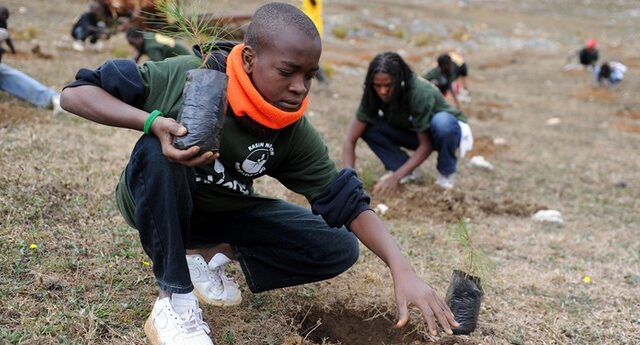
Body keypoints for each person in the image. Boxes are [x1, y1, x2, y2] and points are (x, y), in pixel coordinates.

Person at [60, 3, 458, 344]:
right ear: (249, 59)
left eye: (309, 75)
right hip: (156, 197)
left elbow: (348, 203)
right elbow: (75, 94)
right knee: (157, 151)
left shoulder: (289, 129)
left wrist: (401, 268)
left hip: (222, 214)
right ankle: (175, 302)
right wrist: (151, 123)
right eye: (287, 72)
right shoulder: (187, 75)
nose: (300, 87)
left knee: (338, 247)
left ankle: (207, 255)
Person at [343, 52, 472, 193]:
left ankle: (445, 176)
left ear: (399, 81)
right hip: (414, 130)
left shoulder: (418, 92)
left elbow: (426, 144)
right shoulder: (372, 93)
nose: (383, 91)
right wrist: (349, 179)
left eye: (388, 85)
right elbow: (350, 139)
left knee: (442, 123)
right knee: (367, 126)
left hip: (445, 132)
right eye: (377, 86)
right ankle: (403, 168)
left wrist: (395, 178)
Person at [300, 0, 328, 84]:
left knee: (308, 58)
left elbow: (313, 3)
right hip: (309, 29)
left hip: (312, 30)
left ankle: (322, 80)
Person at [126, 28, 191, 63]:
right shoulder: (148, 35)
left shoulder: (151, 48)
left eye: (133, 43)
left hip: (184, 60)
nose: (133, 46)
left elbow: (159, 66)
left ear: (139, 38)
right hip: (184, 53)